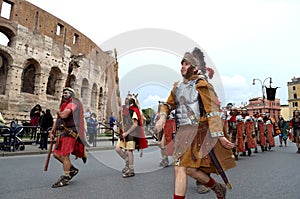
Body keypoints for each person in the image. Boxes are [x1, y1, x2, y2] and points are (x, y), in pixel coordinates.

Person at [155, 48, 236, 199]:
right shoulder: (177, 88)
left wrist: (220, 137)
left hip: (198, 133)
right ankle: (217, 187)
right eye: (182, 64)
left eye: (186, 64)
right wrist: (162, 117)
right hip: (182, 133)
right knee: (187, 170)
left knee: (182, 169)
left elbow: (212, 111)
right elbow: (167, 105)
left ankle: (215, 187)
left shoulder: (202, 85)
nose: (182, 67)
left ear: (195, 68)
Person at [50, 87, 87, 188]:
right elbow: (58, 119)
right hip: (61, 133)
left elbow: (64, 115)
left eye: (66, 93)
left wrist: (59, 112)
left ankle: (66, 177)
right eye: (63, 93)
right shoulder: (64, 105)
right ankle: (72, 169)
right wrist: (52, 130)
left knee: (65, 155)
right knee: (56, 155)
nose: (63, 95)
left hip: (70, 133)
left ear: (71, 94)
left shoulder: (73, 104)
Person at [115, 92, 148, 178]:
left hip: (131, 134)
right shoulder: (124, 111)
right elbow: (124, 122)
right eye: (125, 98)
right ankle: (127, 161)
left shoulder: (133, 110)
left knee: (129, 151)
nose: (126, 99)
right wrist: (118, 124)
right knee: (118, 149)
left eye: (127, 98)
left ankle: (131, 169)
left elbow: (135, 124)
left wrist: (127, 133)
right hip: (124, 133)